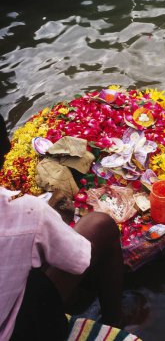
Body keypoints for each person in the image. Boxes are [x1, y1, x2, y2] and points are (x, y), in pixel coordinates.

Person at [0, 113, 124, 341]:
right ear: (5, 149)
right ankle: (115, 322)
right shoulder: (24, 212)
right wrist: (55, 219)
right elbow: (78, 259)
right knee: (101, 225)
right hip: (19, 332)